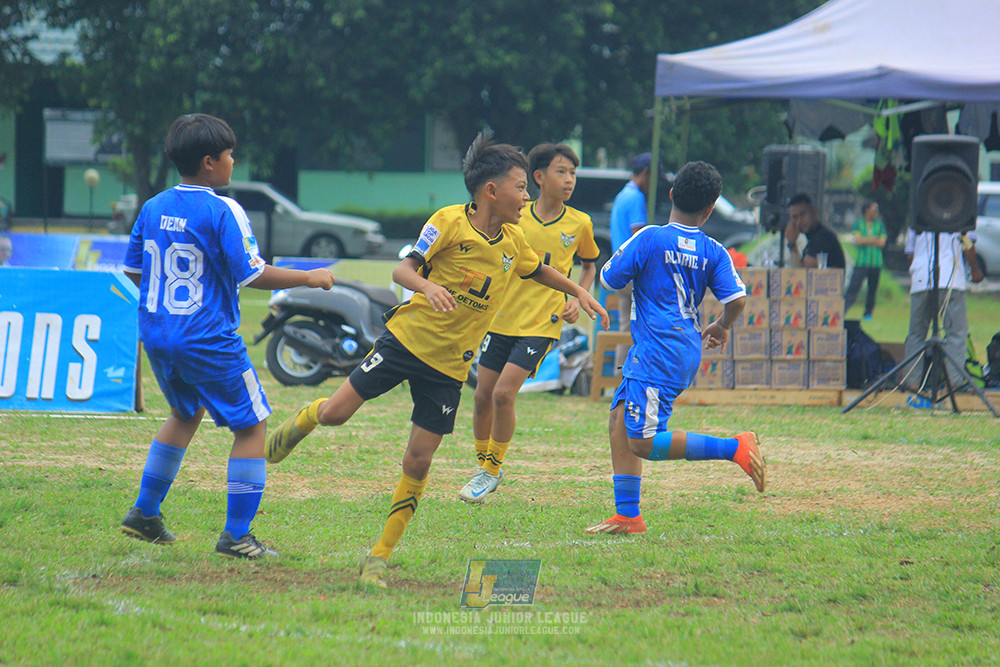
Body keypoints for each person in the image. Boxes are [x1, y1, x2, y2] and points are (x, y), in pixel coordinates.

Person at [264, 131, 609, 587]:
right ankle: (304, 419)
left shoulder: (511, 239)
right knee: (336, 414)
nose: (526, 197)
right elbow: (403, 268)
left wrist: (580, 289)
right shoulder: (448, 222)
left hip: (450, 366)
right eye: (520, 187)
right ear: (491, 191)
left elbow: (538, 269)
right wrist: (427, 286)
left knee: (419, 461)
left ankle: (379, 556)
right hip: (405, 343)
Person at [119, 114, 336, 559]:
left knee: (185, 412)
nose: (234, 161)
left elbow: (133, 269)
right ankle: (237, 535)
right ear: (209, 163)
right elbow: (253, 273)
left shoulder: (153, 206)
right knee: (252, 425)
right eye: (230, 154)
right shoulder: (223, 209)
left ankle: (145, 512)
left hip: (158, 333)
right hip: (206, 336)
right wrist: (310, 277)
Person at [584, 160, 765, 536]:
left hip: (657, 351)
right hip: (680, 347)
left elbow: (608, 277)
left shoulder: (650, 237)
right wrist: (721, 325)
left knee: (644, 441)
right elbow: (738, 299)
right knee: (619, 419)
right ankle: (628, 515)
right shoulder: (714, 250)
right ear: (710, 209)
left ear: (670, 194)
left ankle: (735, 448)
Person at [458, 143, 600, 504]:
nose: (569, 180)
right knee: (482, 397)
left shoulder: (580, 222)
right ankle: (483, 466)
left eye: (573, 173)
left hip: (542, 322)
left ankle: (492, 470)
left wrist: (576, 296)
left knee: (504, 394)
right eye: (561, 171)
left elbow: (589, 265)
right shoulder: (514, 218)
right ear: (539, 177)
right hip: (501, 317)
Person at [903, 227, 984, 391]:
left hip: (921, 278)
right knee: (956, 333)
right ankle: (954, 384)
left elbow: (910, 252)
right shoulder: (961, 211)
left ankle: (912, 382)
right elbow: (968, 245)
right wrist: (975, 271)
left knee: (917, 333)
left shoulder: (918, 211)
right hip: (951, 278)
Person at [609, 152, 658, 331]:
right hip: (632, 272)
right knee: (643, 326)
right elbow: (638, 238)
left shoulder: (622, 194)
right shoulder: (636, 197)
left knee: (625, 327)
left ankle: (621, 361)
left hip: (619, 269)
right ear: (646, 173)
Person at [843, 200, 887, 320]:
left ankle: (868, 313)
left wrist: (866, 240)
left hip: (876, 263)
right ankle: (843, 310)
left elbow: (882, 242)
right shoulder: (859, 224)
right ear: (867, 210)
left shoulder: (880, 225)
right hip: (862, 262)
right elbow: (858, 240)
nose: (876, 212)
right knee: (853, 288)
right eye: (874, 210)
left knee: (872, 290)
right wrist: (874, 239)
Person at [784, 193, 845, 269]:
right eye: (795, 217)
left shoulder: (823, 237)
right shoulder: (813, 238)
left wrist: (792, 244)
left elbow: (803, 273)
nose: (799, 221)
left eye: (803, 215)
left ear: (815, 212)